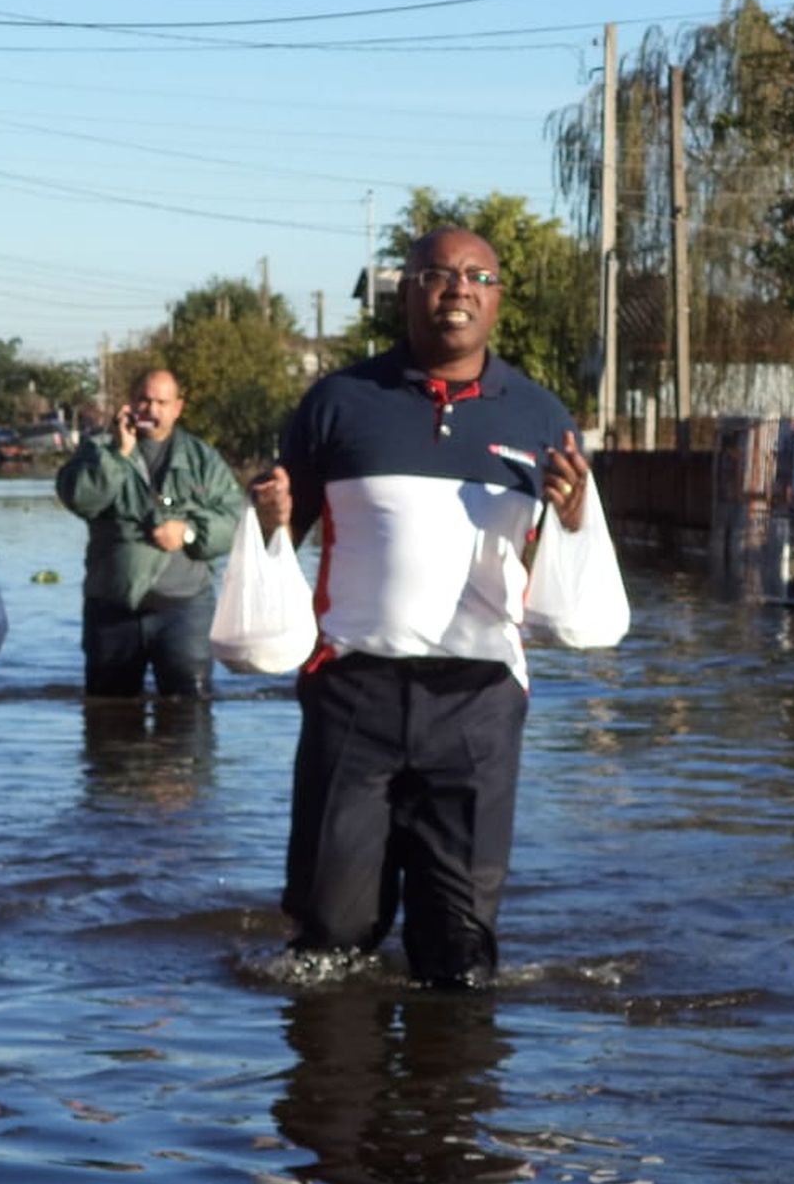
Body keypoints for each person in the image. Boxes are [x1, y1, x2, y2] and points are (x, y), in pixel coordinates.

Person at [250, 227, 592, 987]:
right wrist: (270, 516)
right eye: (437, 274)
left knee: (460, 953)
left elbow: (567, 569)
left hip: (479, 703)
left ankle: (448, 1101)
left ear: (497, 297)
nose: (458, 289)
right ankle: (337, 1097)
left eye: (478, 275)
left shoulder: (540, 417)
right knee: (329, 944)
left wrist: (573, 519)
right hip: (352, 691)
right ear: (405, 290)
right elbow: (285, 535)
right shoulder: (337, 402)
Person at [56, 369, 245, 698]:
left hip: (184, 612)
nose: (151, 410)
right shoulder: (97, 450)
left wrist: (188, 532)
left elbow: (234, 521)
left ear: (177, 407)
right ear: (130, 403)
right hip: (111, 610)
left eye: (161, 402)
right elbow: (81, 500)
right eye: (144, 400)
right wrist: (119, 453)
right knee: (108, 724)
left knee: (189, 719)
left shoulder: (203, 459)